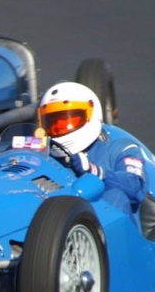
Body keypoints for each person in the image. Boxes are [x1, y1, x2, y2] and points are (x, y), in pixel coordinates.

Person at [37, 81, 148, 217]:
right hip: (53, 224)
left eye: (68, 121)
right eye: (53, 124)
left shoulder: (121, 148)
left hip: (110, 224)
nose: (60, 129)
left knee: (113, 195)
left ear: (91, 114)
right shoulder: (42, 156)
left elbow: (135, 188)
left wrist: (95, 172)